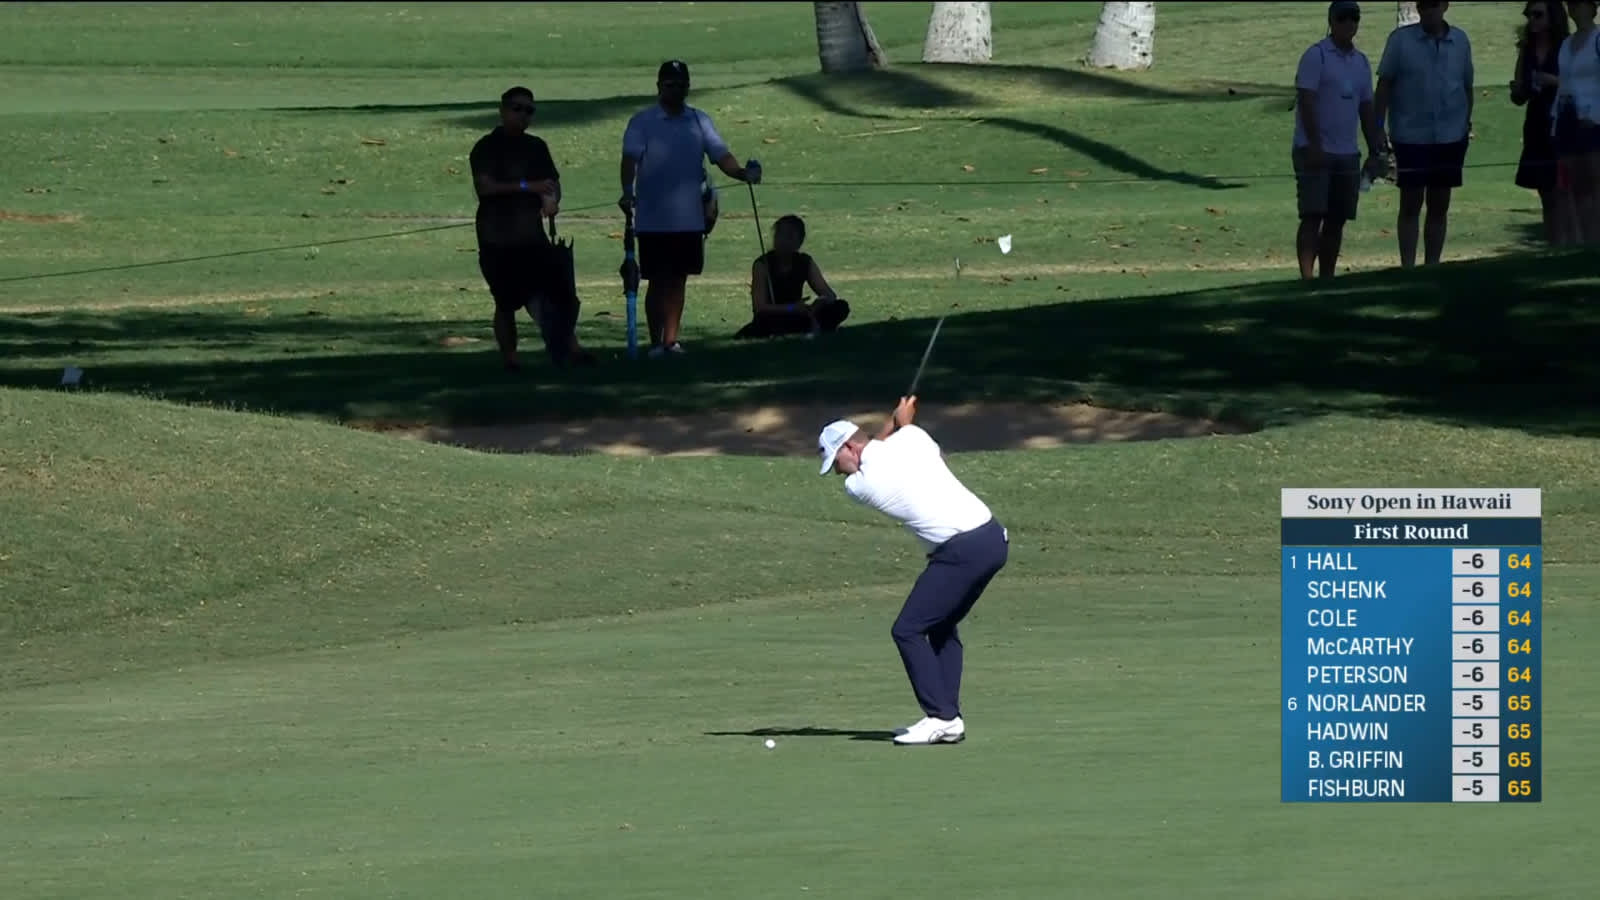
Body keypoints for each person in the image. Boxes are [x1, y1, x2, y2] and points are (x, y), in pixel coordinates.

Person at [816, 395, 1010, 746]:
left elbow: (878, 445)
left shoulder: (859, 487)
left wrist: (893, 422)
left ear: (849, 448)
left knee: (907, 630)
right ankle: (949, 718)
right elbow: (887, 442)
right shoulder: (914, 438)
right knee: (941, 626)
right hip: (992, 538)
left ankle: (940, 717)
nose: (838, 472)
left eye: (836, 462)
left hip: (960, 552)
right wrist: (900, 421)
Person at [619, 60, 762, 358]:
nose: (676, 90)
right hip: (653, 218)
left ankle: (671, 341)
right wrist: (627, 193)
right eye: (670, 84)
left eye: (681, 85)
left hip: (689, 217)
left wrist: (741, 174)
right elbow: (630, 160)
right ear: (659, 86)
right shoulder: (642, 122)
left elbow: (720, 155)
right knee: (658, 280)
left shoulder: (699, 120)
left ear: (688, 87)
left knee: (679, 279)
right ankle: (656, 342)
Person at [469, 86, 593, 370]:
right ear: (502, 110)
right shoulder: (486, 147)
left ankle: (570, 347)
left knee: (556, 292)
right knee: (505, 301)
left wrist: (551, 199)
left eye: (529, 110)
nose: (523, 115)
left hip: (532, 236)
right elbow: (485, 187)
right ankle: (510, 358)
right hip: (497, 237)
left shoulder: (536, 147)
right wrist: (528, 186)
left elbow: (551, 183)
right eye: (517, 108)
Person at [1291, 1, 1388, 280]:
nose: (1349, 23)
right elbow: (1306, 102)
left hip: (1347, 152)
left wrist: (1376, 148)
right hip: (1314, 150)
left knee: (1337, 219)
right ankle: (1307, 279)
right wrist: (1314, 145)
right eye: (1342, 18)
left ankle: (1328, 278)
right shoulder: (1316, 56)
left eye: (1354, 18)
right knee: (1312, 215)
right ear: (1331, 21)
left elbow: (1367, 109)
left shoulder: (1361, 62)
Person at [1375, 0, 1475, 268]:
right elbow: (1383, 86)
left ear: (1445, 6)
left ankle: (1433, 265)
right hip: (1410, 136)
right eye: (1422, 5)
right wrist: (1378, 127)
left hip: (1450, 136)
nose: (1427, 11)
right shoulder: (1400, 41)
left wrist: (1465, 123)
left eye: (1432, 5)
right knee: (1410, 203)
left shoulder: (1460, 41)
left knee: (1439, 204)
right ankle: (1408, 266)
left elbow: (1466, 87)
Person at [1511, 1, 1577, 245]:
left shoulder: (1566, 47)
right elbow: (1519, 95)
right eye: (1529, 14)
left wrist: (1553, 81)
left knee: (1564, 192)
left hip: (1563, 124)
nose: (1532, 19)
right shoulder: (1527, 49)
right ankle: (1553, 246)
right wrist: (1518, 89)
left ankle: (1572, 245)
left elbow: (1579, 86)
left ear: (1553, 17)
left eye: (1538, 14)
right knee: (1546, 193)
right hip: (1536, 124)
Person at [735, 214, 851, 339]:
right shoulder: (762, 265)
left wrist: (818, 304)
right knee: (767, 322)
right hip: (773, 316)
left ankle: (811, 327)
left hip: (799, 314)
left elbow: (829, 294)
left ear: (799, 242)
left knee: (840, 307)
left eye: (789, 237)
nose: (782, 240)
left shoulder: (805, 262)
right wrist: (791, 308)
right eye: (779, 235)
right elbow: (760, 307)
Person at [1553, 0, 1600, 243]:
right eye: (1571, 4)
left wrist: (1596, 114)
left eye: (1580, 3)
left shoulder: (1598, 39)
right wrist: (1555, 118)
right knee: (1576, 185)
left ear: (1592, 8)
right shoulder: (1566, 44)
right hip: (1567, 118)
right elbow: (1564, 83)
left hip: (1593, 121)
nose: (1574, 9)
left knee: (1595, 182)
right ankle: (1585, 241)